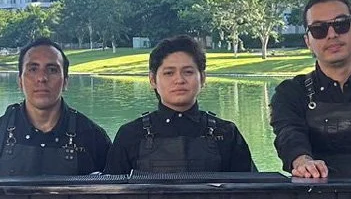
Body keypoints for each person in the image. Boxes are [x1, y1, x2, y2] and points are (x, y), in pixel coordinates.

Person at [105, 35, 256, 174]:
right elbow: (110, 191)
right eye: (169, 73)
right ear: (152, 80)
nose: (179, 80)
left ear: (203, 78)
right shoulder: (130, 135)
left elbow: (252, 191)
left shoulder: (227, 134)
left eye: (188, 72)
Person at [269, 0, 351, 179]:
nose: (332, 35)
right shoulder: (290, 93)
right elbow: (288, 134)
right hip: (316, 191)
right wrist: (303, 162)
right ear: (308, 41)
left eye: (341, 25)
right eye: (319, 29)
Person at [0, 38, 111, 176]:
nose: (42, 78)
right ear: (20, 81)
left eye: (52, 70)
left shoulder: (94, 138)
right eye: (33, 69)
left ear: (65, 82)